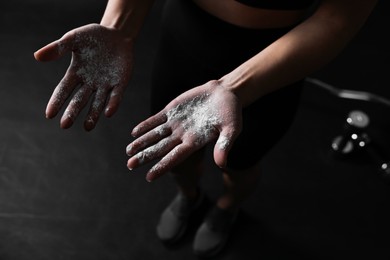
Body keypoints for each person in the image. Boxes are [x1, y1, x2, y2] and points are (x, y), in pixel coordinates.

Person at [34, 0, 378, 257]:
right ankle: (189, 197)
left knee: (240, 162)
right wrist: (119, 25)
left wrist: (235, 88)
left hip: (272, 64)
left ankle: (228, 206)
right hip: (185, 40)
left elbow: (337, 19)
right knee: (174, 155)